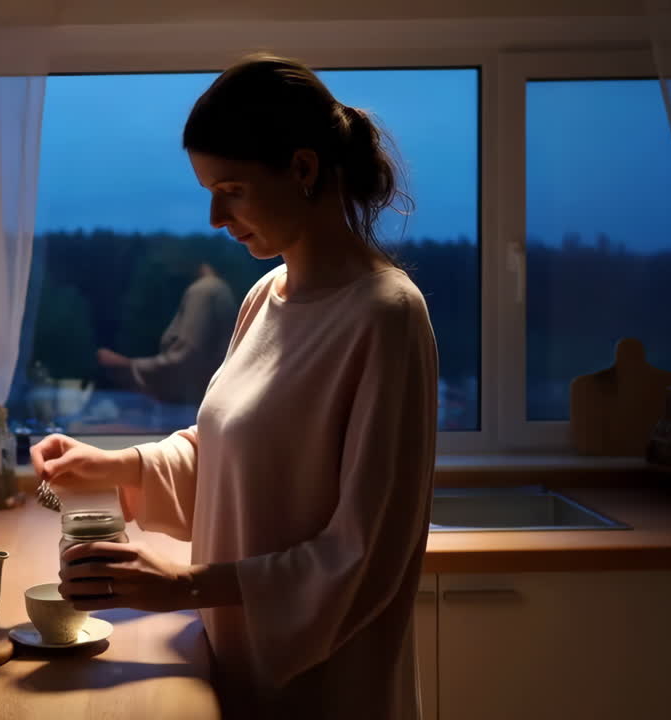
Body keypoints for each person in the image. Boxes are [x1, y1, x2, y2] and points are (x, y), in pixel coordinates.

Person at [30, 54, 438, 717]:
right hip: (234, 663)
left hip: (327, 686)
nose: (215, 217)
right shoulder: (264, 295)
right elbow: (228, 450)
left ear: (303, 170)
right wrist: (114, 464)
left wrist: (186, 584)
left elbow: (363, 555)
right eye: (208, 191)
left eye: (234, 189)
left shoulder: (386, 315)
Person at [95, 261, 238, 409]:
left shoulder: (205, 290)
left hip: (191, 408)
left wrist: (129, 366)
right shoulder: (220, 290)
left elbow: (186, 356)